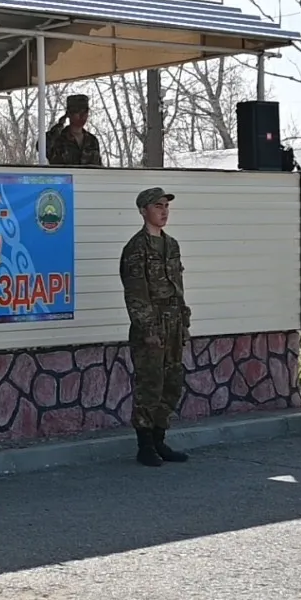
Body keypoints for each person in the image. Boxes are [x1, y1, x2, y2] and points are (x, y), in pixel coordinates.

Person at [119, 188, 192, 467]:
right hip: (151, 325)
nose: (164, 211)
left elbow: (178, 288)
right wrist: (148, 329)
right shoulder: (136, 248)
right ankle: (145, 445)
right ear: (143, 210)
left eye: (166, 206)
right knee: (150, 384)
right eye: (157, 206)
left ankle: (160, 438)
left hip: (173, 322)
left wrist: (183, 322)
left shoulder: (171, 245)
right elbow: (135, 293)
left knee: (172, 382)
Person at [45, 94, 103, 167]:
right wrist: (59, 126)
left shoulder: (92, 141)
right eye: (78, 111)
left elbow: (98, 168)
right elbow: (41, 146)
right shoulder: (58, 139)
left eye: (85, 112)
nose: (82, 116)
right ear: (69, 113)